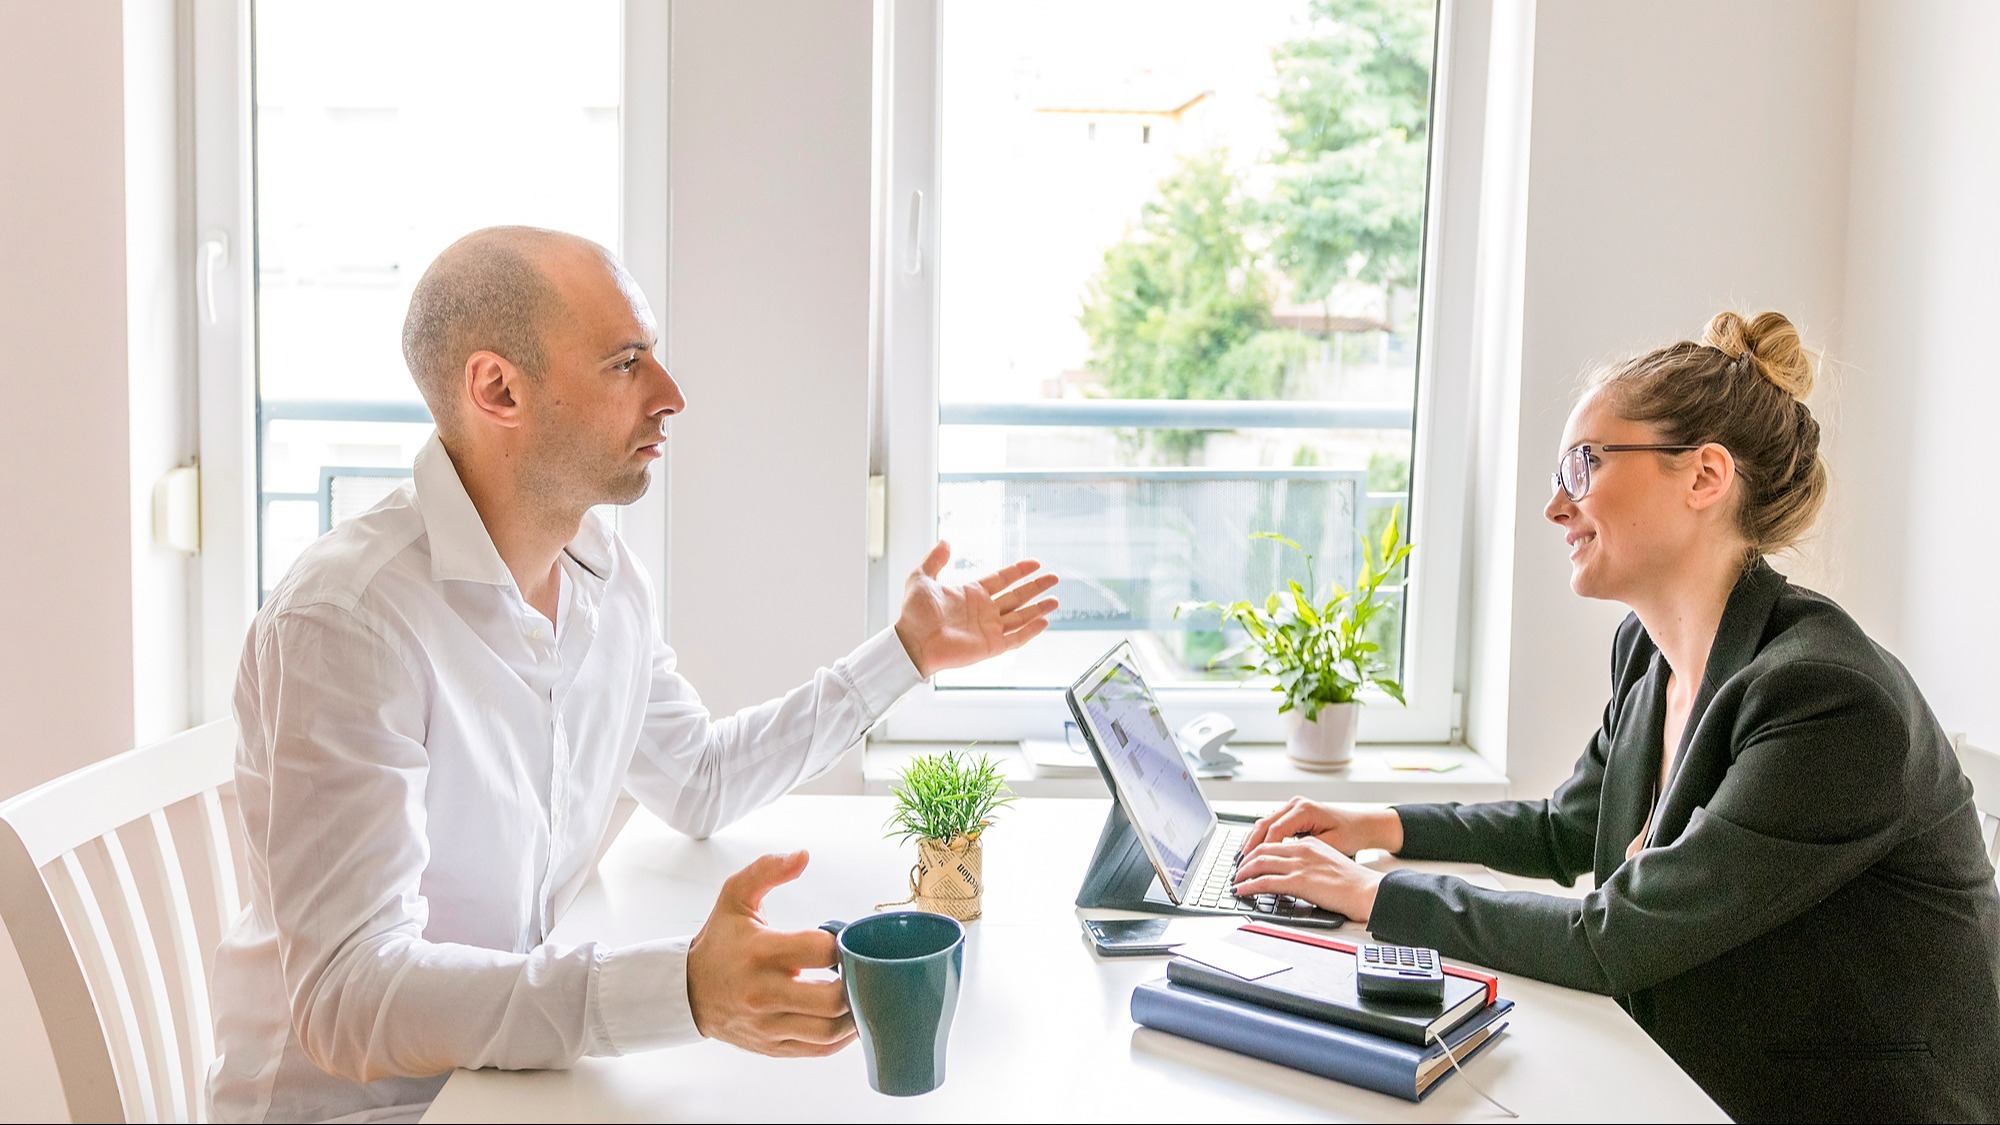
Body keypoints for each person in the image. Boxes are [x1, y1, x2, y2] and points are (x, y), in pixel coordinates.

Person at [206, 226, 1060, 1123]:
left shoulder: (599, 575)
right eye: (625, 364)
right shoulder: (349, 621)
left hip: (511, 1086)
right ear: (498, 389)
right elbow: (351, 995)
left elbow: (697, 780)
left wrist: (907, 653)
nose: (672, 395)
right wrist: (682, 991)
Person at [1231, 311, 2000, 1122]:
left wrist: (1369, 895)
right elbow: (1568, 827)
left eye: (1583, 463)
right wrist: (1378, 824)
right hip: (1686, 1076)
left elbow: (1612, 938)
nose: (1555, 505)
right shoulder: (1651, 651)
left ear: (1705, 476)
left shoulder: (1830, 702)